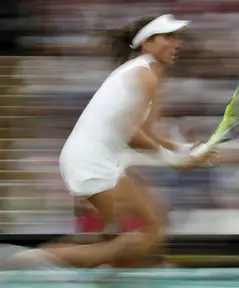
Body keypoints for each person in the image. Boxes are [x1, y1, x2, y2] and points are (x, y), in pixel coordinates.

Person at [47, 13, 213, 268]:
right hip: (91, 162)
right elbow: (132, 134)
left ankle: (97, 271)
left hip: (98, 160)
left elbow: (148, 132)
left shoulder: (148, 75)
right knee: (139, 237)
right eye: (168, 37)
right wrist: (175, 161)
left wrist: (184, 150)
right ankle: (25, 261)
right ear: (147, 43)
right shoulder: (143, 75)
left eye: (176, 37)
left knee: (139, 235)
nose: (177, 44)